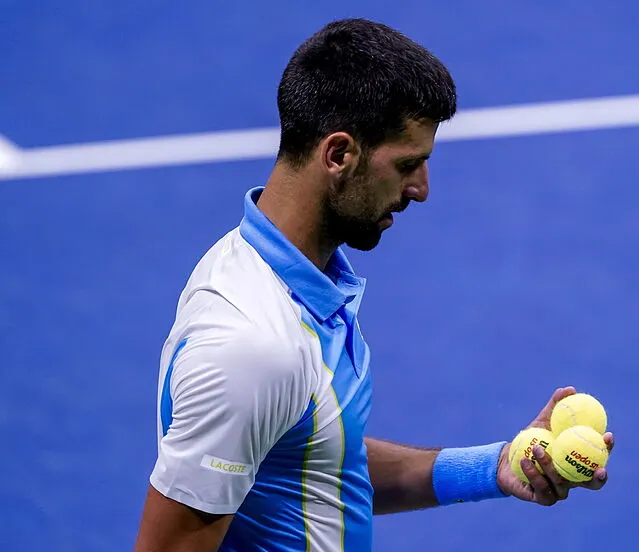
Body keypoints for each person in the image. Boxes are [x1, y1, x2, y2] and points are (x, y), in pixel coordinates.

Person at [133, 17, 614, 552]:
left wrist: (493, 466)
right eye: (408, 164)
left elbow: (315, 460)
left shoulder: (289, 279)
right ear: (339, 155)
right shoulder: (253, 346)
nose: (422, 189)